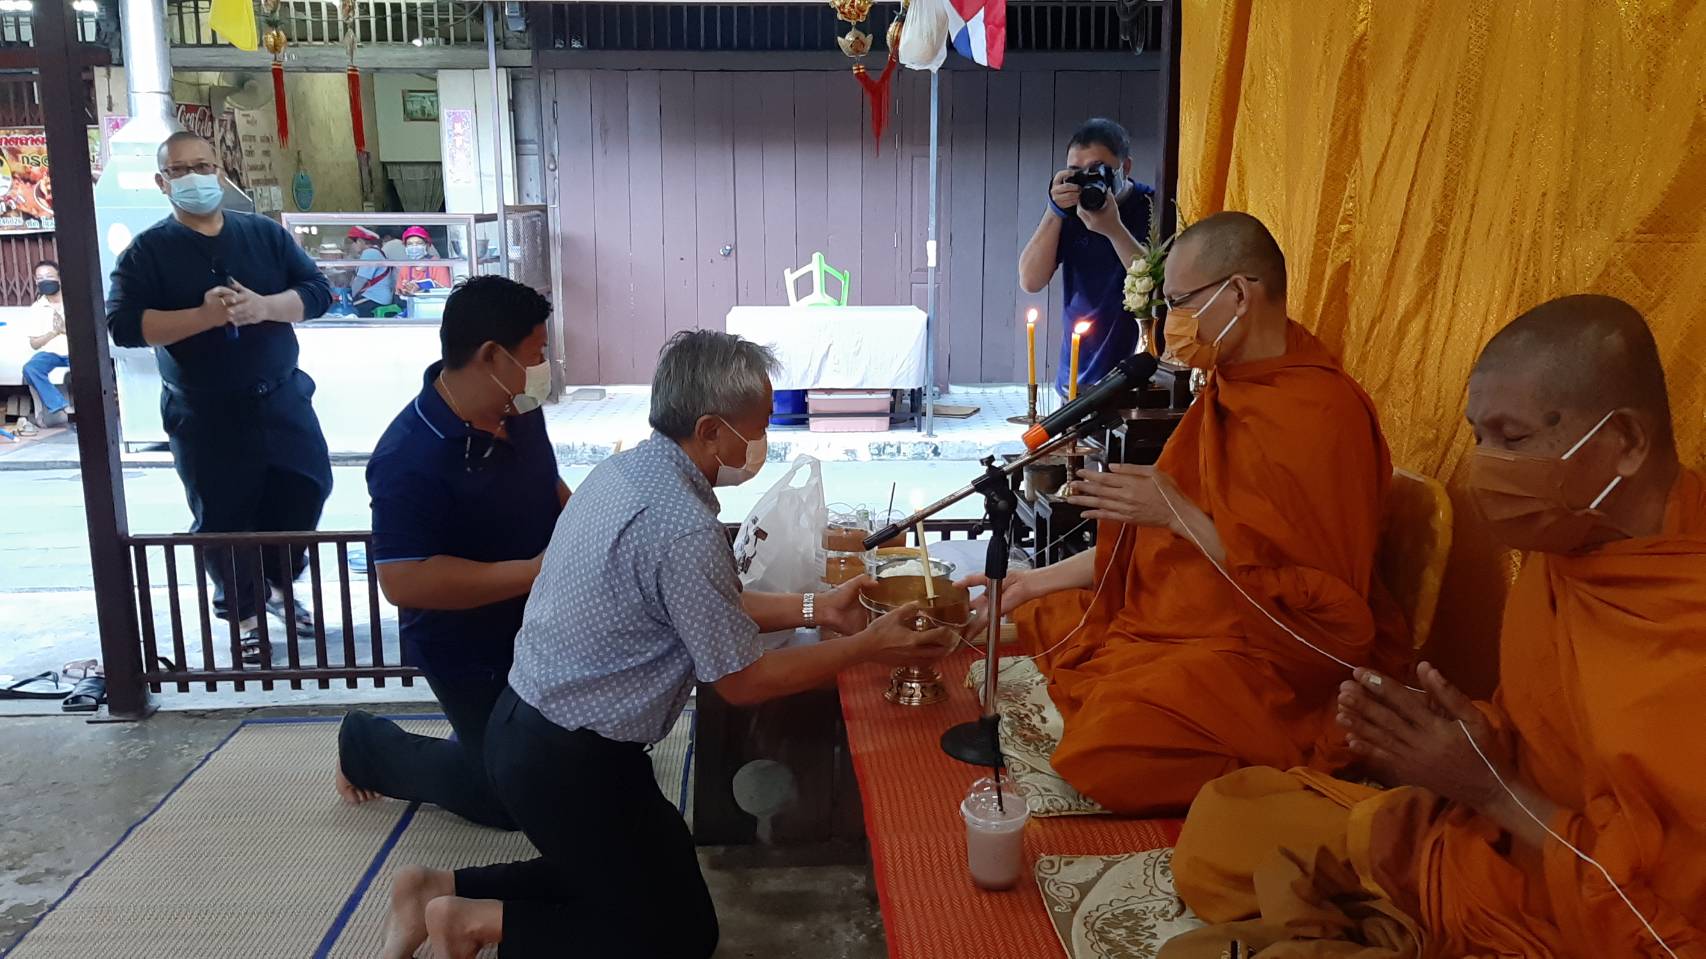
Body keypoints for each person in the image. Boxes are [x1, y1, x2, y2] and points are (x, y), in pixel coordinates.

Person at [377, 330, 956, 959]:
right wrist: (868, 646)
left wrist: (820, 608)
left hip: (530, 726)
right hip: (567, 760)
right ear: (709, 431)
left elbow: (702, 607)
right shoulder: (684, 528)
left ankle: (437, 888)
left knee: (639, 878)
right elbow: (742, 681)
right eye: (758, 425)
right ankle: (472, 922)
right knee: (673, 935)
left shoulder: (625, 471)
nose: (763, 441)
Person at [1162, 295, 1706, 958]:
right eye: (1479, 437)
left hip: (1583, 911)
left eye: (1512, 439)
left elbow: (1666, 929)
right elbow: (1545, 732)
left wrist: (1494, 791)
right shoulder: (1571, 540)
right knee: (1225, 822)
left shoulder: (1685, 616)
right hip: (1491, 837)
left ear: (1625, 442)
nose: (1485, 470)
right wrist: (1461, 738)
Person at [968, 211, 1410, 816]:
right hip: (1190, 616)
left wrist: (1178, 515)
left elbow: (1323, 618)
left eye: (1179, 303)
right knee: (1050, 612)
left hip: (1272, 657)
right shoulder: (1230, 386)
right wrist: (1033, 580)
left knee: (1110, 747)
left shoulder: (1321, 415)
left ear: (1238, 294)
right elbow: (1153, 550)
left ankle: (1263, 759)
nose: (1170, 324)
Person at [335, 276, 569, 828]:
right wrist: (533, 573)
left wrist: (589, 528)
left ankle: (500, 746)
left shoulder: (518, 408)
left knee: (581, 764)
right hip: (468, 649)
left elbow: (548, 487)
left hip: (541, 618)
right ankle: (368, 746)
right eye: (536, 353)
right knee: (510, 797)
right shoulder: (408, 455)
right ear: (491, 356)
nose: (544, 366)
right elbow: (404, 580)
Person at [106, 131, 334, 657]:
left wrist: (264, 307)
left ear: (220, 172)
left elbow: (318, 292)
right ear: (163, 182)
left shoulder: (264, 235)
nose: (195, 178)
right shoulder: (148, 251)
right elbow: (124, 325)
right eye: (180, 170)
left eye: (203, 166)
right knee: (225, 517)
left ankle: (277, 586)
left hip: (281, 399)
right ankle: (245, 615)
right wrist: (204, 317)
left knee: (306, 491)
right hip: (205, 411)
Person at [1018, 117, 1155, 398]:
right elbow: (1030, 281)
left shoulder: (1153, 205)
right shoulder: (1070, 213)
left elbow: (1157, 289)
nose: (1088, 180)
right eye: (1076, 173)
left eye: (1097, 170)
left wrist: (1114, 230)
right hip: (1076, 375)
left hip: (1138, 372)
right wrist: (1054, 210)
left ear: (1125, 167)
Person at [17, 260, 68, 436]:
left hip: (77, 351)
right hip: (50, 353)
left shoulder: (75, 301)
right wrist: (54, 332)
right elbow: (34, 344)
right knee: (30, 368)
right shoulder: (37, 309)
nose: (44, 281)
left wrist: (66, 329)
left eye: (49, 276)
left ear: (59, 278)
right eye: (40, 278)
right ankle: (59, 407)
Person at [346, 226, 395, 318]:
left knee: (348, 311)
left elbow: (361, 279)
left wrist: (350, 294)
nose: (352, 246)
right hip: (377, 297)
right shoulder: (375, 252)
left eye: (353, 242)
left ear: (360, 241)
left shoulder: (370, 253)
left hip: (375, 298)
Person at [396, 226, 453, 298]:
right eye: (410, 244)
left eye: (419, 243)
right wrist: (406, 292)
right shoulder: (405, 267)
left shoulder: (438, 265)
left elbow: (446, 293)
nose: (414, 247)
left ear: (427, 245)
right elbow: (399, 293)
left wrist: (422, 291)